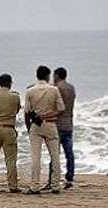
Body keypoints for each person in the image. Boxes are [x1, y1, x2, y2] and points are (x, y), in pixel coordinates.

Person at [25, 65, 66, 194]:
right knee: (55, 156)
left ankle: (35, 186)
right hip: (51, 124)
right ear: (48, 76)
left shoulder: (30, 91)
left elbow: (26, 112)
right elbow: (61, 109)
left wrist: (29, 127)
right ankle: (55, 185)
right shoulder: (54, 90)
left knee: (35, 157)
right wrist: (48, 115)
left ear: (37, 75)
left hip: (36, 126)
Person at [46, 67, 76, 189]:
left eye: (54, 75)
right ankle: (69, 178)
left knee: (54, 154)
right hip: (68, 124)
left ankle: (52, 180)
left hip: (57, 125)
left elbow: (56, 106)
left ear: (57, 75)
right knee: (69, 153)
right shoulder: (71, 88)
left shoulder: (56, 88)